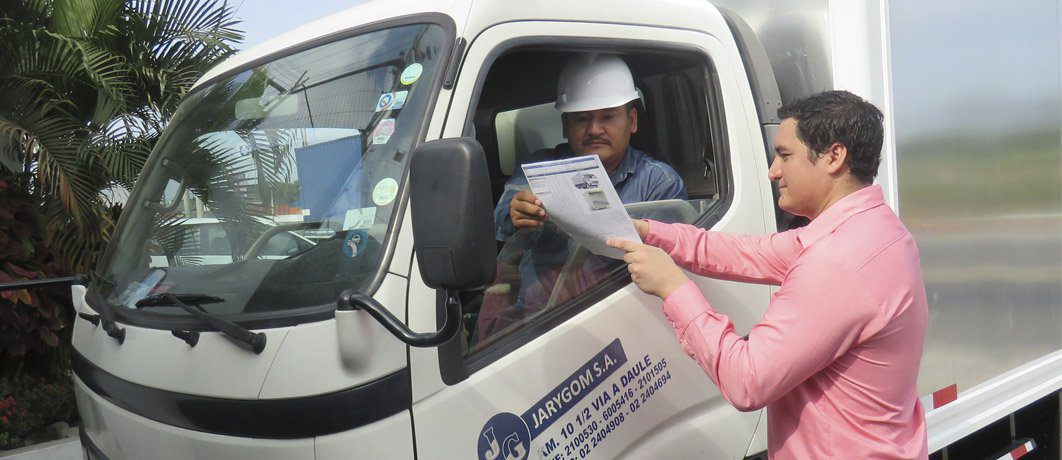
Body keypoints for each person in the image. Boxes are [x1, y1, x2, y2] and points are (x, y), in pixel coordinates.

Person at [609, 90, 929, 459]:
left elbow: (748, 381)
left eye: (785, 155)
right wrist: (648, 230)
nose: (773, 170)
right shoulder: (875, 229)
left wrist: (674, 288)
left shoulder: (837, 262)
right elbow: (746, 253)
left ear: (834, 157)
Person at [475, 53, 687, 344]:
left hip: (617, 322)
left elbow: (664, 269)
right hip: (535, 321)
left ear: (632, 121)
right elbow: (501, 224)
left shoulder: (659, 184)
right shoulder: (538, 169)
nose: (594, 129)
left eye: (608, 117)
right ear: (565, 125)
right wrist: (515, 212)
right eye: (582, 119)